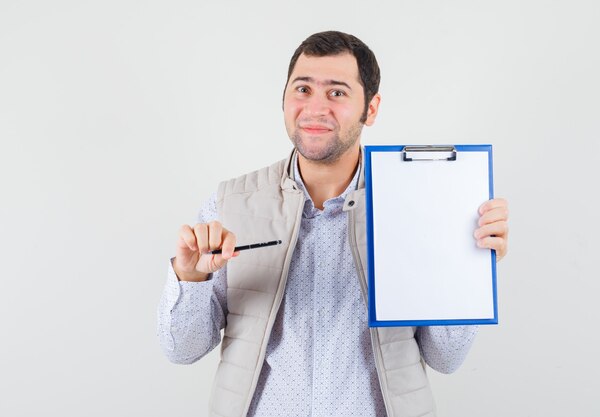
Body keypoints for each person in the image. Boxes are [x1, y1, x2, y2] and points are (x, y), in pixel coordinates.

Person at [157, 30, 509, 417]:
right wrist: (190, 277)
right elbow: (182, 350)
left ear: (370, 109)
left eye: (337, 92)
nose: (315, 107)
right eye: (303, 89)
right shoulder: (230, 203)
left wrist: (468, 263)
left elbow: (446, 358)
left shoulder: (420, 202)